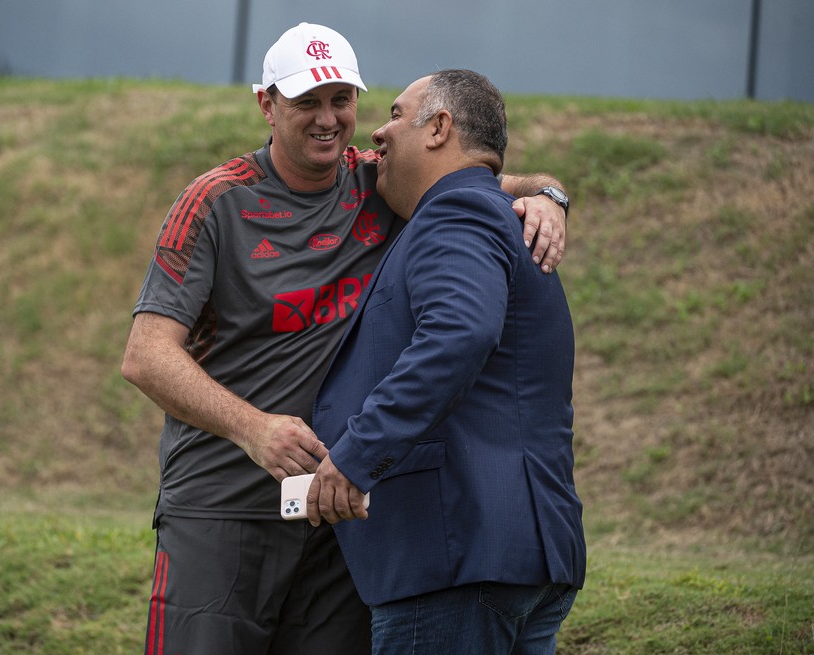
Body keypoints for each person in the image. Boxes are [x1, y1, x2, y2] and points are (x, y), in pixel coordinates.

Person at [121, 22, 570, 655]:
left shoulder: (382, 183)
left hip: (341, 516)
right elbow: (145, 357)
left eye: (342, 100)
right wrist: (254, 429)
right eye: (307, 101)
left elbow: (478, 181)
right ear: (266, 104)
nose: (328, 119)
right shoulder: (214, 201)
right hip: (222, 506)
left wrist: (548, 195)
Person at [309, 69, 585, 655]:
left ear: (438, 128)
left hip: (455, 557)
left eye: (394, 114)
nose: (377, 133)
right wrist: (549, 191)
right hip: (517, 551)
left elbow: (458, 334)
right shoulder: (492, 210)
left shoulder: (455, 211)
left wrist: (355, 456)